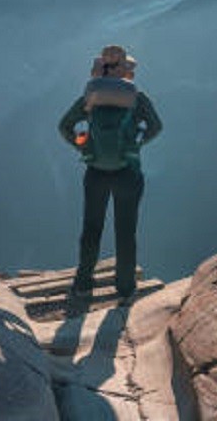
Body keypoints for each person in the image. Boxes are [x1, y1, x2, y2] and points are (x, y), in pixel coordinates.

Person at [58, 44, 163, 304]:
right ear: (125, 70)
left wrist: (82, 144)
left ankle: (83, 285)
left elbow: (65, 126)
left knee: (91, 229)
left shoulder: (90, 97)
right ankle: (126, 291)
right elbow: (156, 127)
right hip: (128, 172)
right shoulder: (137, 98)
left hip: (95, 173)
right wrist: (136, 143)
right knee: (126, 231)